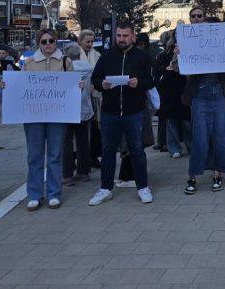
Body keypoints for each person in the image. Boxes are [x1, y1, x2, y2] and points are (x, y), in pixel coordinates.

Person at [89, 23, 155, 206]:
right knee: (108, 150)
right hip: (110, 111)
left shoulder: (142, 57)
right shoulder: (107, 56)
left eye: (125, 36)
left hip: (134, 111)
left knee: (137, 150)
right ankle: (105, 188)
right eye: (119, 35)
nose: (121, 39)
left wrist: (138, 83)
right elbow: (95, 78)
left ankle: (142, 187)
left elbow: (151, 81)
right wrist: (102, 84)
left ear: (133, 36)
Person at [19, 28, 75, 210]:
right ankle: (34, 194)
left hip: (57, 115)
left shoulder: (66, 62)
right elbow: (20, 88)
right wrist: (7, 85)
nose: (48, 44)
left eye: (51, 40)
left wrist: (77, 86)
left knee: (54, 155)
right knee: (34, 156)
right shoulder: (29, 63)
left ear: (56, 42)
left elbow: (70, 88)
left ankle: (53, 193)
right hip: (34, 115)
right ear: (38, 43)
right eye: (44, 41)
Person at [181, 16, 225, 195]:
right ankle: (192, 177)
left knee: (220, 136)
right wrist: (179, 54)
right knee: (200, 138)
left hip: (218, 93)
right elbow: (179, 68)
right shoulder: (191, 45)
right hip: (200, 95)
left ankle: (217, 174)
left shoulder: (222, 46)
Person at [62, 43, 94, 184]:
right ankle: (83, 171)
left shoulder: (65, 69)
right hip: (84, 108)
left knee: (66, 142)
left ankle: (67, 173)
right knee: (83, 142)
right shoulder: (88, 68)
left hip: (67, 109)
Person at [155, 31, 191, 158]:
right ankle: (174, 148)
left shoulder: (190, 49)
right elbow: (158, 67)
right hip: (170, 90)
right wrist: (168, 67)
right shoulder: (167, 51)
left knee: (187, 121)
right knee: (172, 121)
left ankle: (191, 146)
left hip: (185, 89)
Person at [77, 30, 103, 170]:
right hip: (80, 96)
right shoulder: (74, 54)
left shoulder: (97, 55)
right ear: (80, 41)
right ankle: (78, 156)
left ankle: (93, 156)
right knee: (81, 129)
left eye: (92, 42)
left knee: (95, 127)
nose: (90, 44)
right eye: (87, 41)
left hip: (94, 94)